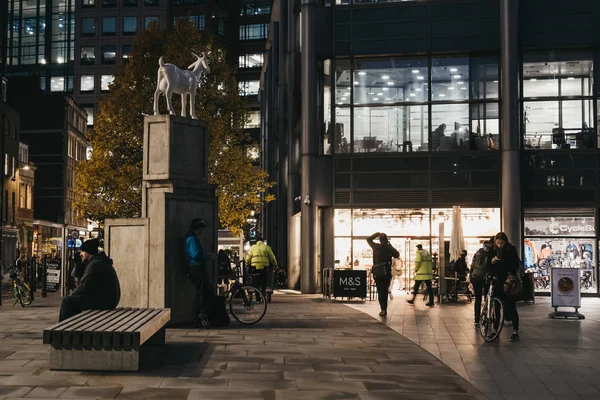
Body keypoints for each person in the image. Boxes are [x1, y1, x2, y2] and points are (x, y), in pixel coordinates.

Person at [58, 239, 121, 322]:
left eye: (82, 251)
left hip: (104, 302)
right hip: (108, 300)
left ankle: (63, 331)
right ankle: (72, 326)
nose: (80, 254)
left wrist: (72, 296)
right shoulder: (99, 262)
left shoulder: (95, 264)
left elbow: (83, 287)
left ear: (88, 252)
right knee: (74, 301)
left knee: (67, 302)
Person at [488, 232, 521, 342]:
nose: (499, 245)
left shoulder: (510, 249)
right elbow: (487, 265)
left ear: (505, 242)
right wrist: (492, 261)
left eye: (501, 243)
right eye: (497, 243)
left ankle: (515, 331)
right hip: (497, 280)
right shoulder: (492, 250)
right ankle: (495, 330)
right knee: (496, 306)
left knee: (511, 306)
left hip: (508, 281)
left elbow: (514, 265)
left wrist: (501, 262)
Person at [185, 218, 214, 328]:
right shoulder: (192, 239)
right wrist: (208, 256)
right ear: (199, 228)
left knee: (203, 292)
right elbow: (196, 255)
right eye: (202, 228)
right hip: (196, 268)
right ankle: (201, 314)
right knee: (203, 292)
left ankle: (200, 316)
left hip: (194, 268)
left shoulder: (190, 238)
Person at [367, 232, 399, 317]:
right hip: (386, 272)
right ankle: (384, 309)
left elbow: (368, 239)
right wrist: (389, 244)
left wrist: (376, 234)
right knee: (384, 291)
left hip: (377, 272)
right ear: (386, 239)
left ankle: (382, 309)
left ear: (380, 239)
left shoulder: (376, 246)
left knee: (380, 291)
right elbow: (397, 254)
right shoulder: (388, 247)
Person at [470, 241, 492, 326]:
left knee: (478, 299)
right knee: (488, 299)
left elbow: (472, 266)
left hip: (476, 278)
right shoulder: (490, 254)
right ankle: (487, 317)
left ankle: (476, 319)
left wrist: (471, 276)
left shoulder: (477, 253)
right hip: (486, 278)